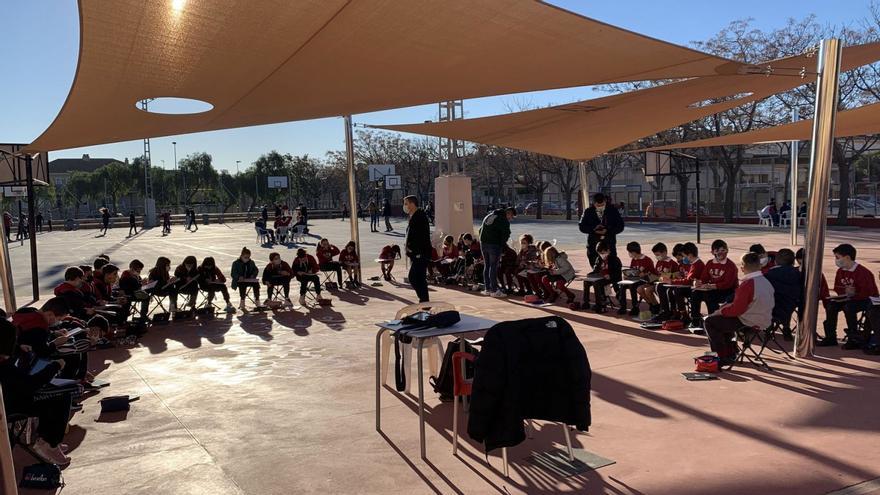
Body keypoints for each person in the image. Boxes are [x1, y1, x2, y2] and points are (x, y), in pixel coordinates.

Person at [1, 314, 74, 465]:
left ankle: (48, 439)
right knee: (61, 395)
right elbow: (30, 385)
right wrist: (55, 367)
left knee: (51, 393)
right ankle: (49, 443)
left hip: (10, 397)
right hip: (8, 405)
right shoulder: (3, 365)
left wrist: (18, 349)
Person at [703, 253, 775, 367]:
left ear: (743, 266)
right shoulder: (766, 282)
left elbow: (737, 310)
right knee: (723, 320)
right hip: (764, 319)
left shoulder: (748, 284)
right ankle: (730, 351)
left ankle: (721, 356)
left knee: (710, 321)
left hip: (749, 321)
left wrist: (721, 311)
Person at [818, 243, 879, 348]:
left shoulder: (863, 272)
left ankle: (853, 337)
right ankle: (830, 336)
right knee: (831, 305)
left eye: (838, 257)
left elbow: (870, 292)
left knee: (849, 307)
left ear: (847, 257)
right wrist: (843, 294)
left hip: (865, 300)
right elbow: (838, 288)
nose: (836, 260)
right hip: (847, 298)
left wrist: (854, 293)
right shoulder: (840, 271)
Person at [689, 239, 738, 328]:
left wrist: (712, 286)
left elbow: (728, 284)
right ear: (712, 252)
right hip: (712, 289)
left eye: (723, 250)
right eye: (717, 250)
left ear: (727, 251)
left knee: (709, 296)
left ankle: (714, 321)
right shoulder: (710, 263)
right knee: (695, 293)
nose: (721, 253)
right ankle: (695, 320)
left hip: (728, 291)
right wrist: (698, 282)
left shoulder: (731, 266)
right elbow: (704, 278)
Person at [655, 242, 704, 324]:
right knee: (666, 289)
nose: (682, 259)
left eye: (684, 257)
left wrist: (671, 281)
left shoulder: (696, 264)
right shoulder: (691, 264)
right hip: (687, 285)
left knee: (676, 291)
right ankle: (672, 312)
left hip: (693, 288)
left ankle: (684, 315)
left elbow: (688, 280)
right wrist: (673, 277)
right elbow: (683, 277)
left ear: (690, 255)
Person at [763, 248, 802, 341]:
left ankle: (768, 329)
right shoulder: (798, 274)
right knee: (786, 301)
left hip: (773, 308)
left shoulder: (769, 274)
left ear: (776, 261)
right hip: (790, 305)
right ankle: (786, 327)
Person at [578, 193, 624, 268]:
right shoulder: (588, 211)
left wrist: (608, 230)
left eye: (602, 205)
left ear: (605, 201)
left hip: (609, 243)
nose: (600, 207)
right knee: (595, 265)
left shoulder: (613, 211)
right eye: (598, 205)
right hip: (593, 244)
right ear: (594, 203)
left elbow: (620, 226)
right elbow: (582, 227)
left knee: (611, 265)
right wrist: (593, 229)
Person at [478, 206, 516, 297]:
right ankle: (494, 290)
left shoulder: (489, 216)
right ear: (509, 213)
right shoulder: (503, 220)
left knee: (487, 266)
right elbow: (506, 234)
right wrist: (502, 246)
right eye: (511, 217)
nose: (511, 219)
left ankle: (487, 289)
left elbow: (480, 230)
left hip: (483, 243)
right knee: (493, 267)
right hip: (494, 245)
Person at [638, 242, 679, 316]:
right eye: (655, 255)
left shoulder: (672, 263)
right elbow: (656, 274)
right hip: (656, 282)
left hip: (664, 285)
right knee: (640, 288)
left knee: (648, 290)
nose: (657, 257)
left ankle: (659, 307)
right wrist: (647, 276)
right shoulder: (658, 262)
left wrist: (666, 276)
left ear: (664, 252)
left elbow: (675, 276)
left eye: (658, 255)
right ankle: (654, 306)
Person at [404, 195, 432, 302]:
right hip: (415, 253)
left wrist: (416, 251)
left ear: (412, 204)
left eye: (406, 203)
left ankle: (424, 300)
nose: (405, 206)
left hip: (420, 253)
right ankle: (424, 300)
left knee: (414, 278)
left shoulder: (420, 216)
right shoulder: (413, 216)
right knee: (419, 278)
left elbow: (420, 237)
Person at [582, 241, 621, 313]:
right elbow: (595, 269)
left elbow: (618, 273)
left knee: (596, 283)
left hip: (611, 278)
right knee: (586, 282)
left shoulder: (614, 259)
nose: (602, 255)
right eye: (600, 253)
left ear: (608, 251)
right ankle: (586, 302)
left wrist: (610, 275)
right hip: (601, 277)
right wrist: (591, 274)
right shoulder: (599, 259)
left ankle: (599, 304)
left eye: (603, 253)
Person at [619, 241, 656, 316]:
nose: (629, 254)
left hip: (645, 280)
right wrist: (627, 275)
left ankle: (635, 307)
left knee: (633, 286)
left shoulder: (647, 260)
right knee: (622, 285)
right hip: (635, 279)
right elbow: (632, 271)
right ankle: (623, 307)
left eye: (629, 252)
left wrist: (644, 274)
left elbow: (652, 275)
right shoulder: (634, 260)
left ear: (634, 252)